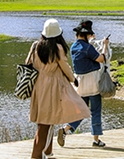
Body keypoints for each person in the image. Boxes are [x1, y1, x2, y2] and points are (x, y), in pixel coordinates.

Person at [28, 19, 90, 159]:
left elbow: (29, 63)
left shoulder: (36, 46)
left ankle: (48, 152)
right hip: (52, 86)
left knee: (44, 120)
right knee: (46, 123)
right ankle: (36, 155)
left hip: (38, 86)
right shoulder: (57, 48)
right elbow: (65, 67)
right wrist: (73, 79)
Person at [57, 20, 110, 148]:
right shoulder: (88, 48)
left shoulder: (74, 47)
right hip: (92, 83)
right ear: (87, 35)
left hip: (80, 84)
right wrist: (105, 45)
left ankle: (66, 129)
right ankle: (96, 140)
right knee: (95, 111)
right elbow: (101, 59)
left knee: (81, 110)